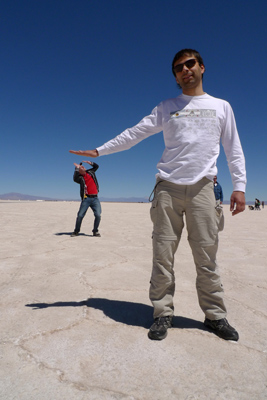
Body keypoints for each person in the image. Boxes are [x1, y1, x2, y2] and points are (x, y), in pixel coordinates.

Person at [69, 48, 246, 342]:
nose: (185, 70)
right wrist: (100, 150)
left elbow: (233, 149)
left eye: (190, 64)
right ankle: (162, 313)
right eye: (178, 67)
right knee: (162, 256)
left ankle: (215, 316)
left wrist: (239, 186)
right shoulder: (167, 107)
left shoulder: (221, 107)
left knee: (207, 258)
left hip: (204, 188)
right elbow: (134, 133)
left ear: (202, 67)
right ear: (176, 75)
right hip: (167, 190)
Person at [71, 161, 101, 237]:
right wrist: (77, 168)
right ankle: (76, 231)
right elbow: (75, 178)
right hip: (86, 199)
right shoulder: (80, 178)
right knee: (80, 215)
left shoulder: (91, 172)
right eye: (81, 167)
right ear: (79, 171)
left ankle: (95, 231)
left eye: (83, 166)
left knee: (98, 215)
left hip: (95, 199)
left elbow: (96, 166)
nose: (83, 167)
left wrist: (90, 162)